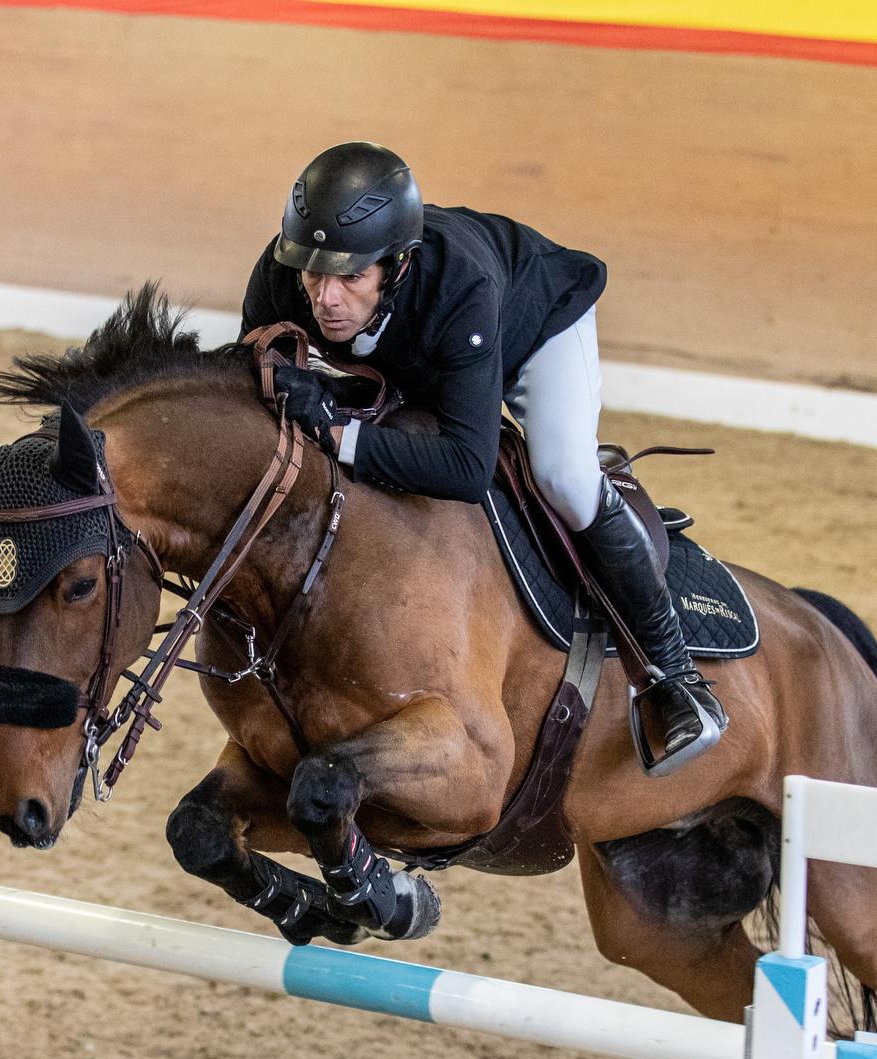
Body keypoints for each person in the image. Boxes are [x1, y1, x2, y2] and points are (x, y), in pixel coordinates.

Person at [240, 141, 726, 775]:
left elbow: (467, 468)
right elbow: (253, 384)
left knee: (564, 477)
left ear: (398, 264)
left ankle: (675, 677)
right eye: (314, 274)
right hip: (418, 357)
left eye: (351, 278)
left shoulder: (456, 286)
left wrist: (336, 430)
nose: (325, 298)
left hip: (531, 329)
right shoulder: (286, 272)